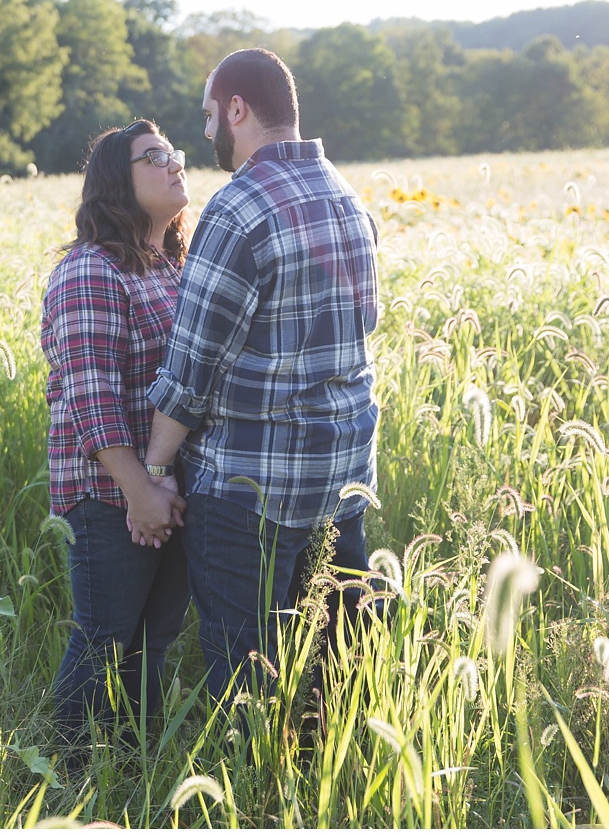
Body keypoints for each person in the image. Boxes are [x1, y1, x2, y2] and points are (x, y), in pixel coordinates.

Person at [137, 48, 380, 707]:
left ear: (237, 108)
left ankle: (252, 799)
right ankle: (318, 788)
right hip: (341, 482)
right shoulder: (347, 196)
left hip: (249, 493)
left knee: (246, 679)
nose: (207, 131)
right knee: (334, 672)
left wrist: (155, 469)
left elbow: (190, 370)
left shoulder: (239, 207)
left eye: (210, 114)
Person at [40, 119, 192, 749]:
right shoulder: (90, 271)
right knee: (104, 639)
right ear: (115, 184)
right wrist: (139, 490)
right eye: (152, 157)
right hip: (109, 495)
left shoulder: (172, 266)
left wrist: (164, 485)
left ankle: (130, 770)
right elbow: (90, 398)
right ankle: (59, 776)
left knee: (152, 642)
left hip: (170, 489)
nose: (173, 162)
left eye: (174, 152)